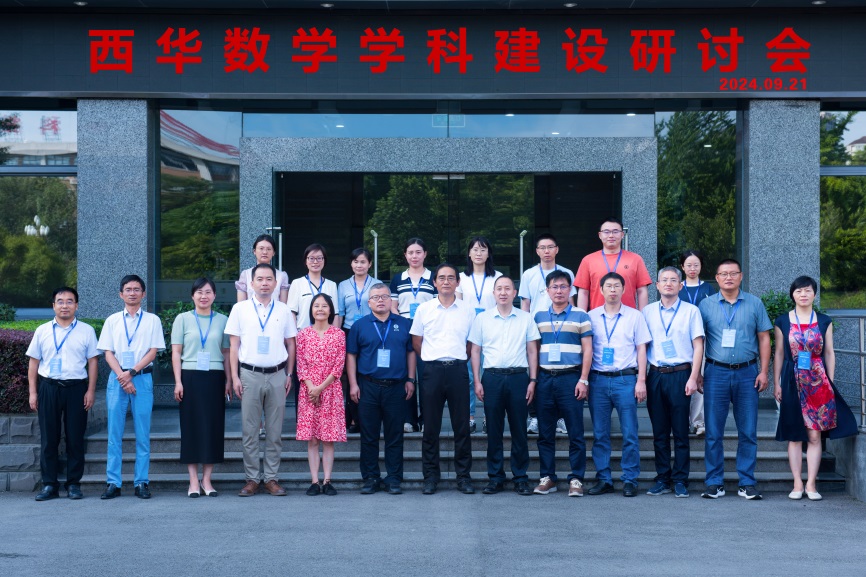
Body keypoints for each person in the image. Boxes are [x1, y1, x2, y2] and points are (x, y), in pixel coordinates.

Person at [773, 276, 858, 501]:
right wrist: (776, 383)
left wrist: (830, 381)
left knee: (814, 434)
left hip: (818, 381)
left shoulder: (824, 320)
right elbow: (779, 353)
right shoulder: (782, 321)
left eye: (808, 290)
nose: (803, 294)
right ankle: (797, 483)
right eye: (799, 291)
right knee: (794, 435)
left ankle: (811, 484)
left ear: (814, 294)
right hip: (791, 380)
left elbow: (829, 352)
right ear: (792, 294)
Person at [698, 258, 772, 501]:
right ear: (716, 278)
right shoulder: (705, 305)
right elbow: (698, 342)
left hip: (747, 373)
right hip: (715, 373)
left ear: (741, 276)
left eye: (733, 273)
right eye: (723, 274)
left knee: (748, 431)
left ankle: (747, 483)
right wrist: (697, 372)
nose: (728, 277)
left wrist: (764, 371)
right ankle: (714, 483)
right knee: (713, 432)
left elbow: (764, 338)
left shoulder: (754, 303)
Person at [225, 263, 298, 497]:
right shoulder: (240, 309)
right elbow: (234, 345)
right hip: (249, 374)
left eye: (269, 279)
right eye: (260, 279)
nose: (264, 283)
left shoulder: (284, 310)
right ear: (251, 283)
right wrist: (235, 376)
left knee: (275, 431)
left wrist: (289, 373)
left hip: (277, 374)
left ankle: (271, 478)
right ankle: (252, 479)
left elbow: (291, 344)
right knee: (250, 430)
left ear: (276, 283)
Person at [469, 276, 539, 496]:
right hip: (492, 378)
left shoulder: (526, 318)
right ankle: (495, 477)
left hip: (519, 378)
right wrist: (477, 381)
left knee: (519, 430)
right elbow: (475, 351)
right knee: (494, 430)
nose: (503, 292)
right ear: (494, 293)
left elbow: (532, 351)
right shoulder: (482, 319)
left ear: (514, 293)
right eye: (499, 288)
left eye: (507, 288)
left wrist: (533, 380)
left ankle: (520, 477)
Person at [97, 275, 166, 500]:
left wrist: (132, 373)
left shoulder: (152, 320)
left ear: (143, 294)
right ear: (121, 294)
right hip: (117, 380)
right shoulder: (112, 320)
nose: (132, 293)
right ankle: (113, 483)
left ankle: (141, 482)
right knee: (114, 433)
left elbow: (153, 352)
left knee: (142, 433)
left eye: (137, 289)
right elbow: (108, 352)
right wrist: (122, 377)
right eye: (128, 289)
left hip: (141, 378)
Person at [27, 287, 99, 501]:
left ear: (76, 305)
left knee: (75, 438)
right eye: (60, 301)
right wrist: (33, 392)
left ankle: (74, 484)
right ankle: (49, 484)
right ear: (53, 306)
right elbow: (33, 362)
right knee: (49, 438)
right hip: (49, 388)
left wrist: (91, 390)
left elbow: (93, 362)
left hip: (76, 389)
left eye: (69, 301)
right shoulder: (42, 331)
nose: (64, 305)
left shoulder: (87, 330)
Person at [410, 263, 475, 495]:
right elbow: (416, 341)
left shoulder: (468, 310)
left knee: (462, 427)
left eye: (450, 278)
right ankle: (430, 477)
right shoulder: (424, 309)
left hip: (458, 370)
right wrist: (432, 360)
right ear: (434, 282)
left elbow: (471, 343)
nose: (446, 281)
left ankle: (463, 477)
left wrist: (459, 360)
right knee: (430, 428)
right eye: (441, 278)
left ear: (458, 282)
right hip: (432, 371)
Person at [347, 283, 416, 495]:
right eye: (375, 297)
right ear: (369, 302)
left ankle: (394, 478)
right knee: (369, 435)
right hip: (368, 386)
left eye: (384, 296)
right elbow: (351, 355)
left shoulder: (404, 324)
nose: (380, 300)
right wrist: (353, 384)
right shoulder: (359, 326)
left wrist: (411, 379)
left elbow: (411, 352)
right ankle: (370, 478)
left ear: (391, 300)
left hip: (396, 386)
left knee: (395, 435)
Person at [586, 272, 651, 497]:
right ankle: (604, 479)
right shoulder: (591, 316)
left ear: (624, 290)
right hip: (598, 380)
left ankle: (630, 479)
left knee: (630, 432)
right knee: (600, 434)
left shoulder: (635, 316)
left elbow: (641, 349)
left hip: (626, 379)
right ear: (600, 290)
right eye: (608, 286)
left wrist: (641, 380)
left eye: (617, 286)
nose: (612, 290)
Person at [642, 267, 705, 498]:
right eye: (664, 280)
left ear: (680, 285)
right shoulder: (647, 311)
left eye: (673, 280)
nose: (668, 283)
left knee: (680, 431)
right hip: (656, 375)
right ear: (657, 285)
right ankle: (662, 478)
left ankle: (680, 479)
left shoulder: (691, 311)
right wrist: (641, 379)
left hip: (681, 374)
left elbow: (698, 346)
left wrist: (693, 377)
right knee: (659, 432)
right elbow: (642, 347)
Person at [531, 270, 594, 497]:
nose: (559, 291)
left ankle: (576, 479)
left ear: (570, 290)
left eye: (563, 286)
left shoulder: (581, 315)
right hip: (545, 378)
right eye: (554, 287)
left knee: (575, 432)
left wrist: (583, 379)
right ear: (547, 291)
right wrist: (533, 380)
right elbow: (533, 350)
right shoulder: (538, 316)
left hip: (571, 378)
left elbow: (588, 350)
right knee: (545, 433)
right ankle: (547, 477)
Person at [171, 278, 231, 498]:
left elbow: (226, 353)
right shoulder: (182, 319)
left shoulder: (223, 320)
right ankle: (193, 481)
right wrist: (178, 381)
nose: (203, 296)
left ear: (214, 295)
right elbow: (176, 352)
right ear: (192, 295)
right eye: (199, 292)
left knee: (212, 427)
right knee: (191, 427)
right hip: (190, 377)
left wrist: (229, 380)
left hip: (215, 377)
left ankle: (207, 479)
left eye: (208, 292)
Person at [518, 233, 576, 435]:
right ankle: (534, 417)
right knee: (535, 370)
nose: (546, 251)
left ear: (557, 249)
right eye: (542, 247)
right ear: (537, 251)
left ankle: (560, 418)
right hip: (537, 328)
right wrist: (525, 328)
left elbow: (571, 301)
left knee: (561, 371)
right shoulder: (529, 274)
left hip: (561, 327)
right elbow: (525, 304)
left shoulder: (567, 272)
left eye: (550, 247)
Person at [296, 293, 347, 496]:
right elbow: (301, 364)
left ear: (330, 310)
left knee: (328, 439)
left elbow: (339, 366)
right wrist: (312, 388)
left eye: (324, 306)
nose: (320, 309)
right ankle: (314, 481)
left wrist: (320, 388)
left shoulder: (339, 335)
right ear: (311, 310)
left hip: (331, 389)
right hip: (308, 391)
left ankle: (327, 480)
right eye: (316, 305)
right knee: (312, 439)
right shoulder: (303, 335)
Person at [456, 236, 502, 434]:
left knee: (489, 377)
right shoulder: (461, 278)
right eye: (475, 249)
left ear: (488, 253)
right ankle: (470, 417)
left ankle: (488, 418)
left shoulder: (497, 277)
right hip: (468, 334)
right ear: (469, 253)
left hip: (492, 332)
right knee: (468, 377)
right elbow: (458, 307)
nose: (479, 253)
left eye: (483, 249)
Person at [391, 237, 436, 433]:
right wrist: (402, 326)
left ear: (425, 254)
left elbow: (437, 305)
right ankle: (408, 419)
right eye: (410, 252)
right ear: (405, 255)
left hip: (427, 332)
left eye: (418, 252)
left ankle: (426, 419)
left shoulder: (433, 277)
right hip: (404, 329)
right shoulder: (398, 279)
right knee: (406, 376)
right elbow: (393, 306)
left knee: (426, 376)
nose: (414, 256)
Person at [337, 248, 381, 434]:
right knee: (351, 375)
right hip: (349, 331)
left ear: (369, 264)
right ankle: (354, 418)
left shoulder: (377, 284)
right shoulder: (343, 286)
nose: (359, 265)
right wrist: (336, 336)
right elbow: (340, 312)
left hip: (372, 330)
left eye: (363, 262)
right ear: (351, 264)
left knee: (370, 373)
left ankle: (371, 417)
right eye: (356, 261)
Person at [574, 218, 652, 312]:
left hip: (628, 316)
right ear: (600, 235)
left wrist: (642, 315)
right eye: (606, 232)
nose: (611, 235)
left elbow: (642, 291)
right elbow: (583, 292)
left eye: (615, 232)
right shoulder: (588, 260)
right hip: (597, 316)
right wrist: (582, 316)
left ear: (622, 234)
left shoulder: (636, 259)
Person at [679, 249, 714, 436]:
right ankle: (682, 420)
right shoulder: (677, 287)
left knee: (700, 378)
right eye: (689, 265)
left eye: (696, 265)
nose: (692, 268)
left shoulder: (708, 289)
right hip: (680, 340)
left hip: (703, 339)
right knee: (682, 378)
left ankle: (698, 421)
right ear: (682, 267)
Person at [288, 243, 340, 330]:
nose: (315, 262)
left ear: (324, 260)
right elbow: (291, 313)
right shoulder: (297, 283)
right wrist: (295, 335)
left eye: (319, 258)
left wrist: (334, 334)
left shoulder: (332, 285)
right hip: (303, 333)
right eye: (311, 258)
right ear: (306, 261)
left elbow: (335, 314)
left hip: (326, 335)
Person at [236, 233, 290, 304]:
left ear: (273, 252)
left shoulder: (282, 276)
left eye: (269, 249)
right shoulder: (246, 274)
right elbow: (241, 305)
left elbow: (283, 305)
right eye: (261, 248)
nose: (265, 252)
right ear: (254, 251)